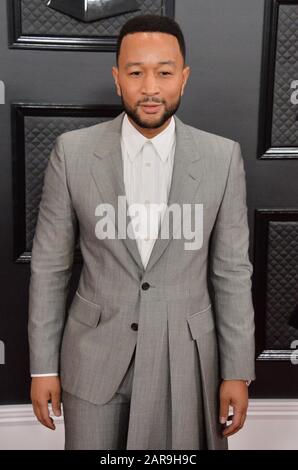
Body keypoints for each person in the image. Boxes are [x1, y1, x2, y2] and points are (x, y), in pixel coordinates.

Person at [28, 14, 255, 450]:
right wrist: (43, 368)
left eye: (164, 72)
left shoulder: (222, 158)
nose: (150, 87)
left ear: (183, 78)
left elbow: (231, 272)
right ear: (117, 79)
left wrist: (236, 370)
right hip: (93, 357)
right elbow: (50, 267)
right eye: (136, 72)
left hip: (186, 360)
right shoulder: (72, 153)